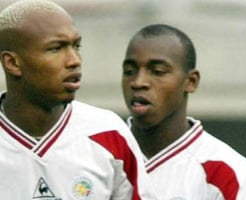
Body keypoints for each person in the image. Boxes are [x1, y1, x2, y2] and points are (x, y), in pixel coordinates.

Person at [0, 1, 158, 199]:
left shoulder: (108, 132)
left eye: (76, 46)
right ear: (13, 63)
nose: (74, 60)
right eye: (55, 48)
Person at [121, 24, 246, 200]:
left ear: (191, 81)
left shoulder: (225, 170)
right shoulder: (98, 151)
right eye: (129, 71)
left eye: (157, 72)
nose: (138, 82)